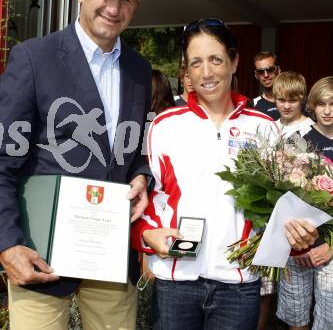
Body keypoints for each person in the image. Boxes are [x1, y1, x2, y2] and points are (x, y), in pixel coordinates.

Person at [0, 0, 152, 330]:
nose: (114, 7)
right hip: (41, 253)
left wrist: (141, 176)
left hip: (108, 252)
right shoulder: (34, 58)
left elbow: (130, 148)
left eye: (127, 0)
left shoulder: (139, 69)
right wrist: (7, 244)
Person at [131, 18, 318, 330]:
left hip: (239, 286)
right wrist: (146, 236)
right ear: (186, 70)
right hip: (176, 282)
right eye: (196, 62)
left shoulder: (262, 127)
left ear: (234, 62)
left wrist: (302, 233)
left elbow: (280, 204)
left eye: (216, 59)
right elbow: (145, 198)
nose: (207, 72)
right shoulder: (164, 125)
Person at [277, 76, 333, 330]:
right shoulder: (295, 141)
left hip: (330, 252)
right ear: (312, 104)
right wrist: (298, 247)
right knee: (295, 317)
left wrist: (332, 247)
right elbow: (279, 196)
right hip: (297, 248)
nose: (328, 111)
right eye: (321, 104)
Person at [273, 71, 314, 138]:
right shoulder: (270, 127)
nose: (286, 106)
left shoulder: (310, 129)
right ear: (275, 98)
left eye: (292, 101)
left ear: (302, 99)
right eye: (281, 100)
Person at [253, 51, 281, 120]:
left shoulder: (295, 100)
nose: (266, 75)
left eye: (270, 70)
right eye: (261, 72)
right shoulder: (253, 105)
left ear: (278, 70)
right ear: (256, 75)